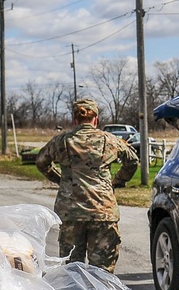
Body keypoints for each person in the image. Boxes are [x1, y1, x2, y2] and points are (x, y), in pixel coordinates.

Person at [36, 98, 138, 273]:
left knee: (72, 272)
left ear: (74, 120)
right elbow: (132, 161)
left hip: (70, 213)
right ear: (96, 120)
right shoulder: (110, 140)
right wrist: (117, 181)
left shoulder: (61, 141)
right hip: (102, 212)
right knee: (103, 273)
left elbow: (41, 162)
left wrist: (60, 180)